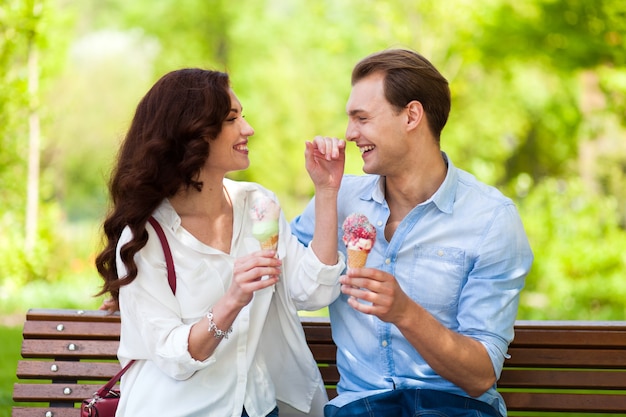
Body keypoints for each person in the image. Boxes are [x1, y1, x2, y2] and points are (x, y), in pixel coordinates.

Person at [291, 49, 534, 417]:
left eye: (362, 118)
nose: (349, 133)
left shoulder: (490, 220)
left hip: (455, 408)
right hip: (361, 407)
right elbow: (282, 277)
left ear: (412, 116)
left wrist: (404, 312)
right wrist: (325, 193)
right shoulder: (336, 198)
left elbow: (481, 376)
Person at [94, 68, 347, 417]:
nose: (248, 129)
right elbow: (173, 356)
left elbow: (314, 292)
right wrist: (232, 300)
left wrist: (327, 190)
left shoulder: (258, 205)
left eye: (242, 116)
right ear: (191, 133)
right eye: (232, 119)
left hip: (257, 407)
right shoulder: (144, 236)